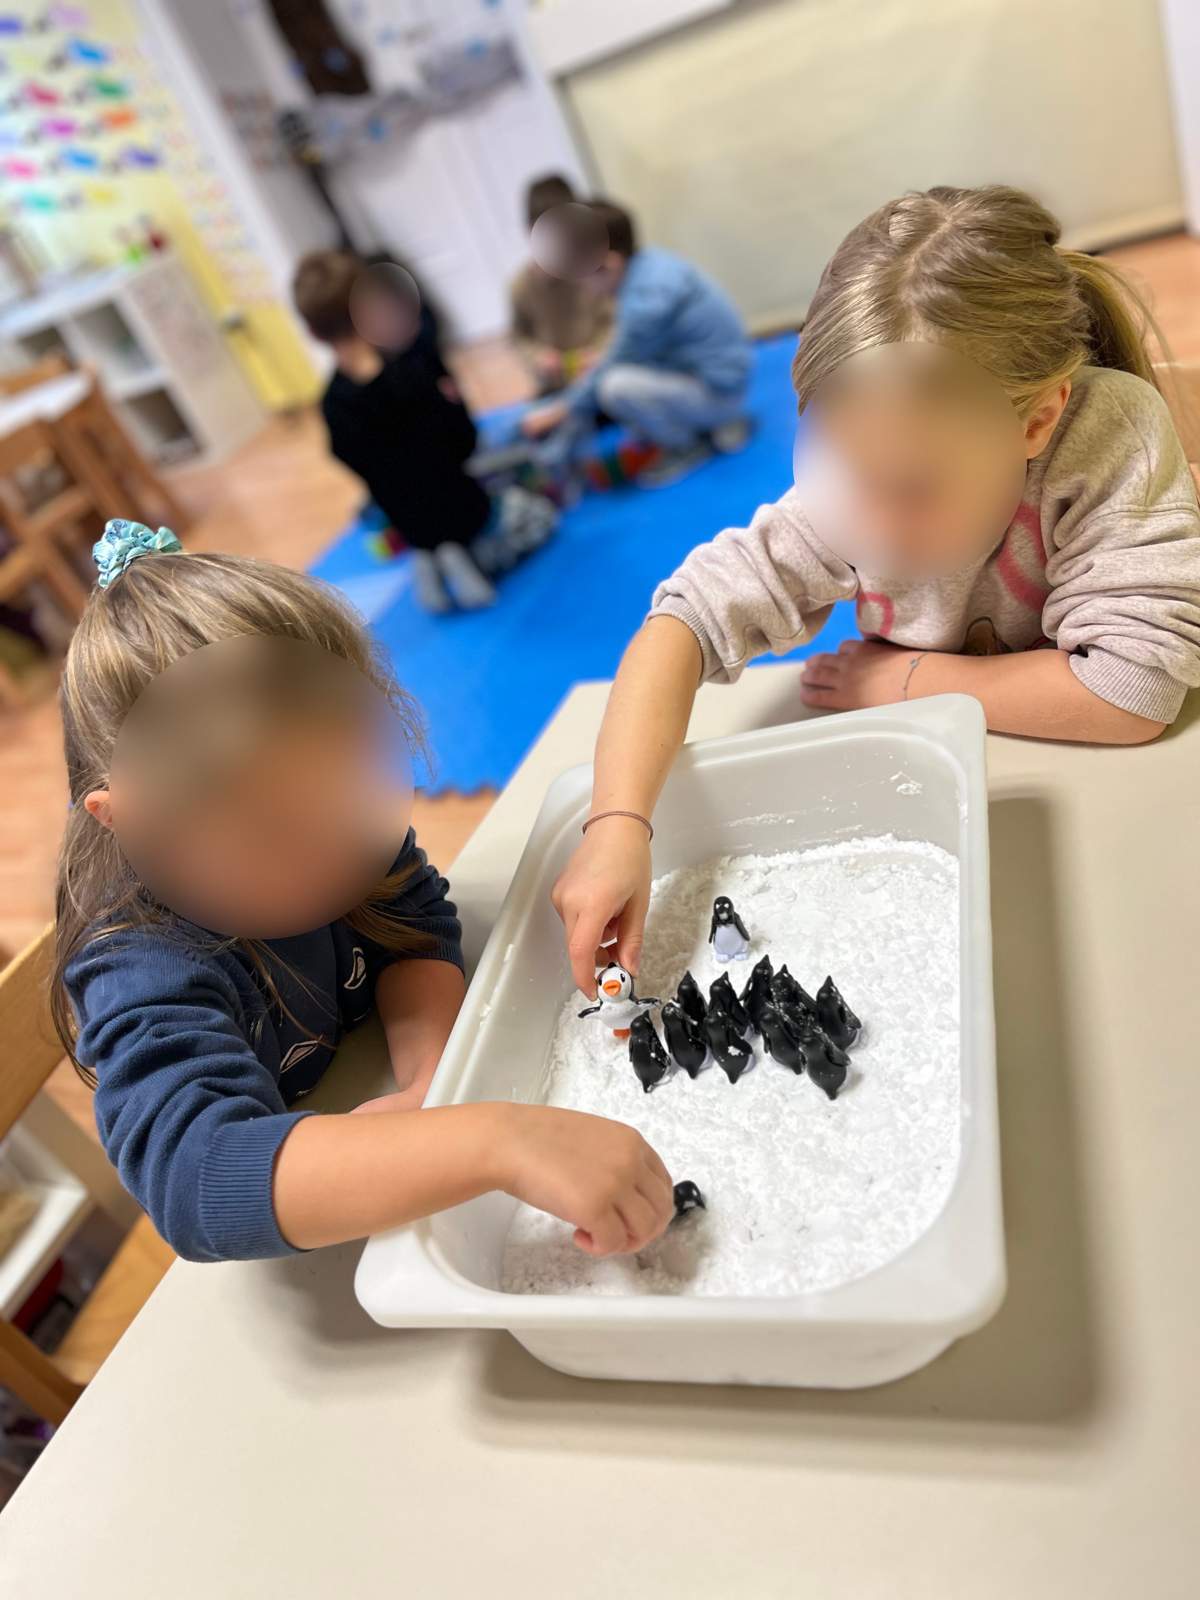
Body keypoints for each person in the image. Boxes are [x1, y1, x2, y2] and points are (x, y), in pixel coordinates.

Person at [550, 185, 1200, 996]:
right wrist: (617, 820)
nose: (881, 529)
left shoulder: (1109, 436)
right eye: (857, 472)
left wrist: (898, 681)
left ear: (1037, 423)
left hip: (1103, 809)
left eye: (917, 489)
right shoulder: (850, 491)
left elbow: (1134, 692)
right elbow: (681, 621)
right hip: (964, 775)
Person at [53, 522, 674, 1262]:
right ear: (134, 823)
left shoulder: (337, 828)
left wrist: (435, 1080)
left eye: (345, 803)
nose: (332, 858)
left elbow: (414, 921)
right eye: (276, 837)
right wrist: (496, 1139)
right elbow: (197, 1180)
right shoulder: (139, 962)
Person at [293, 250, 557, 615]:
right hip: (468, 512)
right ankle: (466, 556)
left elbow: (355, 463)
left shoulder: (332, 404)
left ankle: (432, 557)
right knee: (540, 514)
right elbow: (464, 441)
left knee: (389, 503)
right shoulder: (414, 367)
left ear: (312, 332)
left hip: (411, 526)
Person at [523, 198, 754, 484]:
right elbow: (635, 349)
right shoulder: (649, 265)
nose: (580, 284)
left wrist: (559, 411)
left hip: (720, 393)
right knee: (607, 374)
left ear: (609, 264)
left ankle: (689, 444)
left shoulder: (644, 302)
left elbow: (609, 369)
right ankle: (709, 424)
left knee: (614, 387)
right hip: (713, 376)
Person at [510, 173, 613, 394]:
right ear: (529, 231)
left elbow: (617, 323)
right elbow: (519, 336)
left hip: (603, 375)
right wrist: (537, 356)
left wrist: (600, 352)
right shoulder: (522, 285)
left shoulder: (599, 270)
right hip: (557, 385)